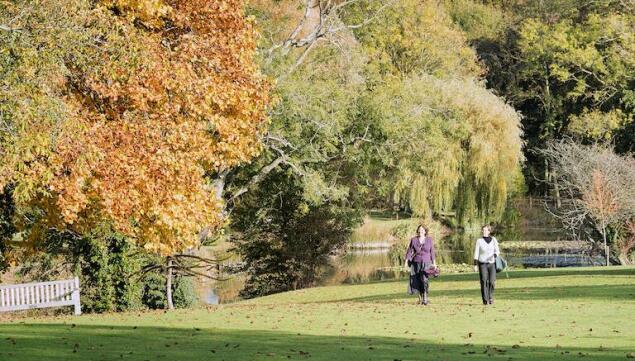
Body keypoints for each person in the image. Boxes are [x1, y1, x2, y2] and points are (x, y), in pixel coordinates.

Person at [404, 225, 436, 305]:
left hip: (426, 263)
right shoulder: (413, 240)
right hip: (416, 263)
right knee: (416, 280)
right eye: (419, 230)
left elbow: (432, 252)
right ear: (417, 231)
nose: (421, 231)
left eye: (422, 230)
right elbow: (409, 251)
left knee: (424, 280)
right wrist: (406, 262)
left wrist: (434, 263)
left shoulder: (429, 240)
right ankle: (420, 299)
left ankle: (425, 297)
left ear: (425, 231)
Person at [473, 225, 500, 305]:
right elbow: (476, 253)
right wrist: (475, 265)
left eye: (486, 230)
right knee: (484, 281)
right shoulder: (479, 241)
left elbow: (497, 251)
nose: (484, 231)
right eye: (483, 230)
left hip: (492, 264)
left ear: (489, 231)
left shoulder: (494, 240)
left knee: (492, 281)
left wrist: (494, 256)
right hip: (482, 264)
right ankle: (485, 300)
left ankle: (490, 297)